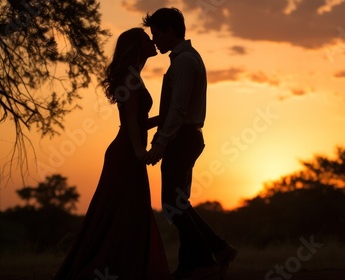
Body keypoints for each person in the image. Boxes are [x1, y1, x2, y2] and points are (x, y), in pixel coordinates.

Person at [53, 28, 171, 280]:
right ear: (136, 46)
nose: (152, 41)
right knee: (124, 210)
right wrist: (140, 151)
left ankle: (122, 268)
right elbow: (130, 121)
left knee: (127, 210)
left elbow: (138, 122)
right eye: (145, 39)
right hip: (126, 152)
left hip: (129, 150)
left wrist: (167, 119)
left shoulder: (134, 75)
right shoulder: (130, 77)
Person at [143, 7, 237, 280]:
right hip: (186, 136)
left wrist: (160, 142)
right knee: (178, 203)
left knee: (173, 204)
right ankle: (194, 263)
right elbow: (176, 109)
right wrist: (148, 124)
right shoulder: (185, 59)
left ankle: (213, 255)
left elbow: (179, 110)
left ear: (170, 31)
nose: (155, 40)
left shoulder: (184, 61)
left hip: (182, 138)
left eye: (156, 34)